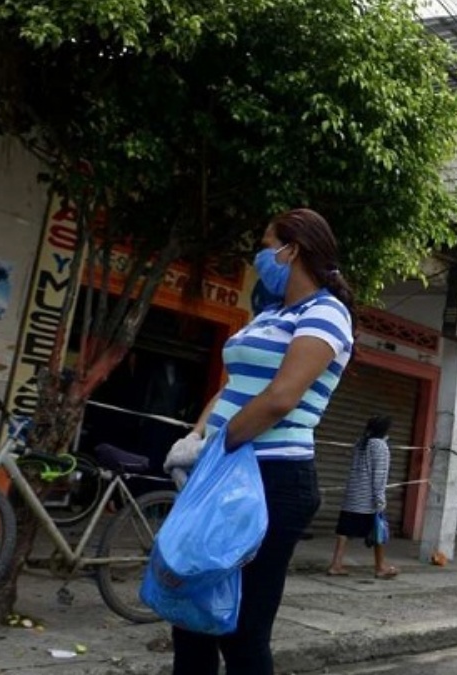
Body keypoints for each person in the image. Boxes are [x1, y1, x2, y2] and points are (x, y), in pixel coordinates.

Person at [162, 208, 355, 675]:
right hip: (227, 468)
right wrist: (196, 433)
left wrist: (214, 450)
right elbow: (233, 387)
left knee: (243, 632)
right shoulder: (270, 314)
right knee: (192, 615)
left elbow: (280, 398)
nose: (260, 257)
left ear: (293, 250)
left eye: (267, 246)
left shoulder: (326, 312)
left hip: (272, 478)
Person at [327, 415, 398, 579]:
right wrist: (380, 499)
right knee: (378, 530)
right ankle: (380, 567)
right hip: (367, 499)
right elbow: (379, 475)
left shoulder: (360, 443)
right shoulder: (380, 446)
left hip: (352, 496)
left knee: (344, 531)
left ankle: (335, 564)